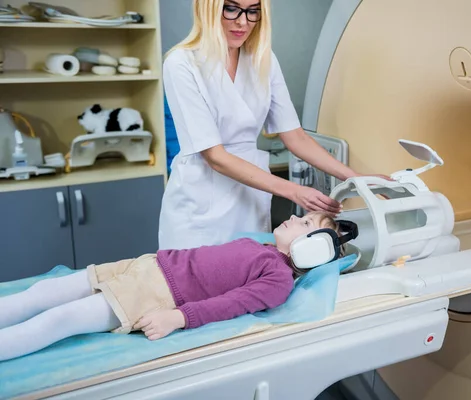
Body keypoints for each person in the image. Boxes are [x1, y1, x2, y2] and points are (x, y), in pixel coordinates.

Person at [159, 0, 390, 250]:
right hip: (201, 199)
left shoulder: (262, 59)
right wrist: (294, 191)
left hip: (251, 195)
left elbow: (295, 138)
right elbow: (215, 156)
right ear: (208, 7)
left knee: (249, 272)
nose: (243, 21)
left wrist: (359, 180)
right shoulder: (181, 63)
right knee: (195, 281)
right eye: (231, 8)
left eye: (253, 11)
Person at [0, 212, 349, 362]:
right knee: (41, 294)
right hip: (145, 266)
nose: (293, 218)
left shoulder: (276, 280)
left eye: (304, 223)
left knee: (58, 320)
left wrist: (179, 318)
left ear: (313, 249)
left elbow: (231, 304)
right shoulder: (264, 248)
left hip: (154, 293)